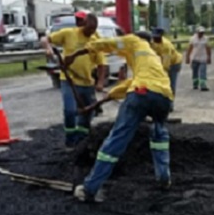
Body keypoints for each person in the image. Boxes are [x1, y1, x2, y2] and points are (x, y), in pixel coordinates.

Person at [63, 32, 174, 203]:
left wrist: (74, 55)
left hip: (141, 94)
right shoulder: (152, 59)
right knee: (159, 135)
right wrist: (95, 105)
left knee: (117, 139)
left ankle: (89, 189)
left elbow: (106, 44)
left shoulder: (135, 41)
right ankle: (164, 178)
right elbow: (128, 86)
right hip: (164, 97)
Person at [41, 12, 107, 148]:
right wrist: (48, 49)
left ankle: (81, 139)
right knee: (70, 111)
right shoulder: (69, 34)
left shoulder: (96, 39)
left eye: (93, 30)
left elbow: (102, 64)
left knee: (88, 112)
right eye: (89, 29)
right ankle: (70, 140)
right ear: (83, 24)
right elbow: (45, 39)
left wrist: (100, 82)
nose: (91, 33)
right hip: (69, 80)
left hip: (87, 82)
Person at [150, 27, 183, 110]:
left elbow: (166, 64)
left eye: (156, 36)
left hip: (174, 64)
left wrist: (161, 74)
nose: (154, 38)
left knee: (170, 84)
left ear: (161, 36)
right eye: (153, 36)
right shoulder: (152, 43)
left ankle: (170, 104)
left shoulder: (166, 45)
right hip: (161, 63)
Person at [185, 26, 211, 91]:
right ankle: (195, 84)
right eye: (200, 32)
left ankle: (203, 85)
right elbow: (189, 48)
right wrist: (187, 57)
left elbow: (208, 48)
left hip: (203, 58)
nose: (201, 34)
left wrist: (209, 57)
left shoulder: (205, 39)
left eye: (202, 33)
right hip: (194, 58)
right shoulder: (193, 39)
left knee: (203, 71)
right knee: (195, 72)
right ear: (197, 32)